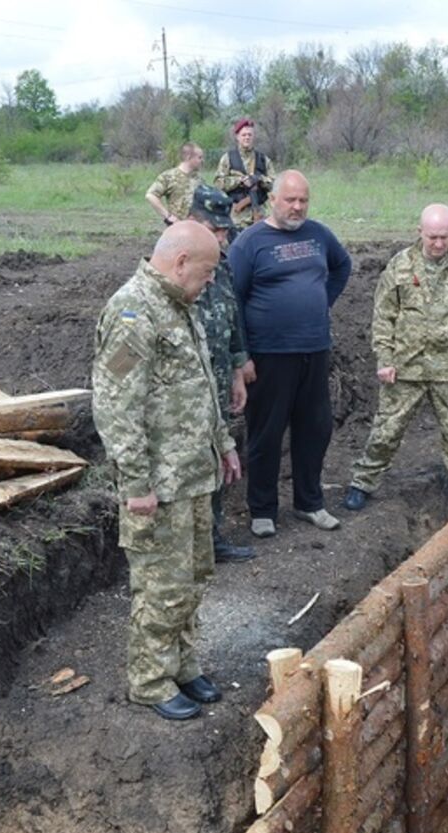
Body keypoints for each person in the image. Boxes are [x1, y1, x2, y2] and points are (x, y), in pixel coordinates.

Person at [92, 221, 243, 721]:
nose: (209, 283)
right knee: (161, 586)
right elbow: (116, 407)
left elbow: (200, 386)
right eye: (205, 273)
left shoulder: (181, 308)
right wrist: (135, 483)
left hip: (194, 475)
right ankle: (151, 680)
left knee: (195, 576)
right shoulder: (134, 315)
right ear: (180, 264)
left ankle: (182, 664)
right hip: (159, 485)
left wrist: (222, 444)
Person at [344, 205, 448, 514]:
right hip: (405, 365)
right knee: (387, 429)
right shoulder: (400, 266)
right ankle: (362, 482)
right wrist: (384, 358)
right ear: (420, 232)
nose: (438, 244)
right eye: (432, 237)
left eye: (444, 237)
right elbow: (384, 314)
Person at [228, 169, 352, 539]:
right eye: (291, 200)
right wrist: (242, 356)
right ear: (273, 200)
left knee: (315, 430)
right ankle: (263, 509)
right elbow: (232, 300)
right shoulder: (250, 243)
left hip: (314, 350)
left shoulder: (319, 235)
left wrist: (321, 302)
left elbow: (341, 266)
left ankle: (309, 503)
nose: (298, 207)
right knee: (266, 434)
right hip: (269, 355)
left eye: (303, 201)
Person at [184, 184, 254, 563]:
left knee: (217, 458)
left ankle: (211, 537)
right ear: (193, 221)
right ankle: (187, 545)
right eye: (215, 230)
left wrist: (238, 368)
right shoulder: (174, 262)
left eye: (225, 230)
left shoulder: (220, 263)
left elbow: (232, 315)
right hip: (187, 387)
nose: (222, 237)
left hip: (218, 378)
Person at [215, 119, 273, 229]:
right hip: (236, 217)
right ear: (237, 137)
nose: (247, 137)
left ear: (253, 137)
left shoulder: (263, 159)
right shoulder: (228, 158)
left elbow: (274, 184)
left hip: (259, 215)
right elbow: (218, 183)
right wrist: (239, 181)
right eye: (244, 135)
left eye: (250, 135)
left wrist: (259, 179)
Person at [145, 142, 204, 226]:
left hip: (195, 228)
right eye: (199, 157)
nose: (201, 161)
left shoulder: (199, 179)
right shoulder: (169, 176)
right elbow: (151, 195)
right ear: (188, 157)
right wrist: (168, 216)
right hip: (176, 229)